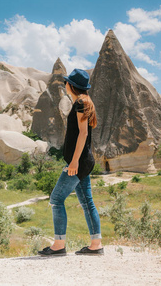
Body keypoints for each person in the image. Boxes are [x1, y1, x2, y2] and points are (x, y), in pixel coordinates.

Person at [38, 68, 103, 256]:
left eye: (67, 81)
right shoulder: (83, 102)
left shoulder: (81, 103)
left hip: (80, 161)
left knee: (56, 200)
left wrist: (74, 162)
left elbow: (83, 134)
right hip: (84, 160)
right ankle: (95, 244)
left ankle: (59, 245)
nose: (65, 84)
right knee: (87, 202)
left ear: (71, 85)